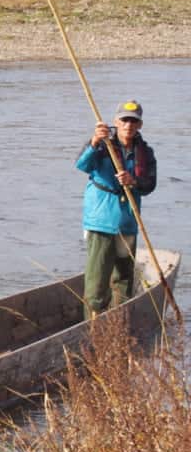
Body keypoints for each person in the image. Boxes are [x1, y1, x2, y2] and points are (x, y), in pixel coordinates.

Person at [76, 100, 157, 318]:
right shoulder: (102, 145)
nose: (128, 125)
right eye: (124, 120)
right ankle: (94, 330)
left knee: (123, 282)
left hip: (128, 222)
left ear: (139, 125)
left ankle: (118, 328)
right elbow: (82, 165)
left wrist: (133, 181)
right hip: (101, 222)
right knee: (97, 287)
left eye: (133, 121)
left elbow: (149, 184)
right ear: (116, 122)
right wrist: (94, 141)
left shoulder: (145, 152)